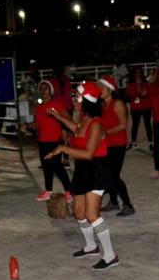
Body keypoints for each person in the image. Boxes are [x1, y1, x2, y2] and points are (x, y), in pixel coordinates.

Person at [46, 82, 119, 270]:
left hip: (96, 168)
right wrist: (59, 116)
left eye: (77, 97)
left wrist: (62, 148)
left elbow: (88, 153)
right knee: (79, 213)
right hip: (83, 169)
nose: (74, 100)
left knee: (92, 214)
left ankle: (110, 255)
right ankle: (91, 246)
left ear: (87, 101)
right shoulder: (84, 119)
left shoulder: (96, 123)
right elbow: (77, 130)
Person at [26, 80, 72, 201]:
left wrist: (64, 130)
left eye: (45, 88)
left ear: (51, 91)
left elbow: (67, 117)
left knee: (57, 167)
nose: (43, 91)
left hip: (54, 140)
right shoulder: (38, 106)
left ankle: (69, 191)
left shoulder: (57, 103)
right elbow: (37, 123)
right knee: (46, 166)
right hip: (42, 140)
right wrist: (29, 125)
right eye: (41, 88)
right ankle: (48, 190)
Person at [98, 76, 135, 216]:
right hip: (106, 144)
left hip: (117, 143)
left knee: (114, 175)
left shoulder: (117, 103)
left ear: (109, 89)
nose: (99, 90)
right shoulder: (102, 105)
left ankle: (128, 205)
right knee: (108, 174)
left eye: (101, 87)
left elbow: (122, 125)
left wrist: (105, 132)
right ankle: (113, 202)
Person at [126, 67, 153, 149]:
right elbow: (127, 95)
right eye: (136, 72)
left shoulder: (146, 83)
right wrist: (133, 96)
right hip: (135, 107)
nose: (138, 74)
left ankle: (150, 143)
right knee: (135, 125)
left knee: (148, 124)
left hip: (146, 106)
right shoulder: (130, 84)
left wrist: (144, 93)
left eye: (139, 72)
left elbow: (150, 93)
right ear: (134, 74)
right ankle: (133, 142)